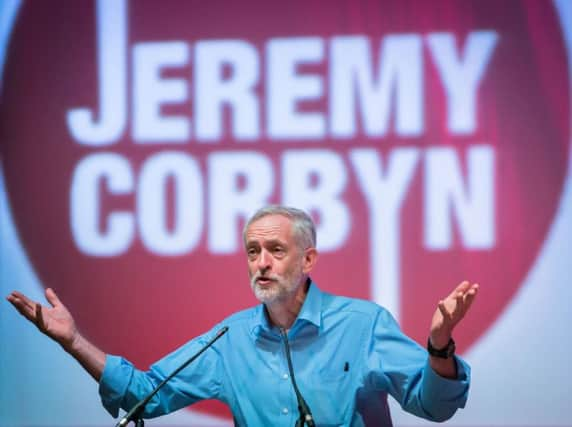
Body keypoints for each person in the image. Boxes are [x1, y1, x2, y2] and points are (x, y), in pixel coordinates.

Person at [7, 205, 479, 426]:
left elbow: (433, 405)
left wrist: (439, 346)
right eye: (253, 251)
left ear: (308, 260)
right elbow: (141, 396)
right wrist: (73, 342)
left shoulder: (363, 324)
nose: (261, 262)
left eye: (275, 249)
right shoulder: (228, 341)